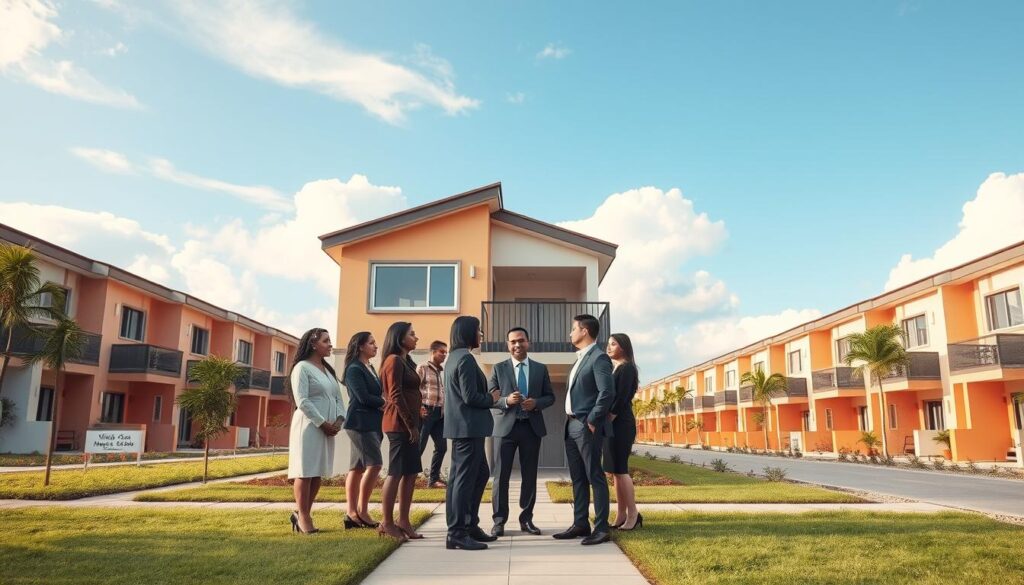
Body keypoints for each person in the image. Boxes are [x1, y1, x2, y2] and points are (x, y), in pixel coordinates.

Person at [553, 314, 614, 546]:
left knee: (594, 476)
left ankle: (601, 528)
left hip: (586, 424)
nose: (570, 333)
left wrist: (593, 418)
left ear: (585, 331)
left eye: (573, 328)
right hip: (571, 425)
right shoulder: (580, 359)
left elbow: (607, 392)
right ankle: (580, 523)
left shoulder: (599, 358)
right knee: (578, 477)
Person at [489, 327, 554, 537]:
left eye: (521, 341)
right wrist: (505, 401)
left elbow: (550, 397)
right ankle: (499, 521)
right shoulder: (498, 369)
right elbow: (490, 397)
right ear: (507, 345)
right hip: (504, 430)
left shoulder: (540, 369)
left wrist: (536, 403)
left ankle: (526, 520)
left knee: (529, 476)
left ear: (529, 342)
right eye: (513, 342)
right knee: (501, 477)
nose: (517, 345)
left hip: (531, 428)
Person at [443, 316, 501, 550]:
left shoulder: (454, 357)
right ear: (469, 333)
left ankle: (468, 525)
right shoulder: (465, 359)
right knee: (463, 480)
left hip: (464, 427)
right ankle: (457, 532)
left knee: (476, 475)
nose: (481, 335)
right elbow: (470, 397)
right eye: (479, 331)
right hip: (467, 428)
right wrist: (492, 398)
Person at [287, 327, 345, 534]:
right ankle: (303, 517)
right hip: (309, 426)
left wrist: (338, 421)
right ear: (313, 344)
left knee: (318, 472)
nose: (330, 344)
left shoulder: (327, 370)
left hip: (328, 428)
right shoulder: (301, 368)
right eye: (326, 341)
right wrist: (322, 423)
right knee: (305, 471)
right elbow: (302, 400)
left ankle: (302, 513)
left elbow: (338, 398)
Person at [378, 321, 423, 541]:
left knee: (411, 472)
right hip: (399, 426)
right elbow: (395, 396)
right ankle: (386, 522)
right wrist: (410, 424)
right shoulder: (393, 360)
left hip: (411, 425)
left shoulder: (406, 361)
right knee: (396, 472)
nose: (416, 338)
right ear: (399, 338)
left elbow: (410, 393)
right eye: (412, 334)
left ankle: (403, 520)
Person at [341, 331, 384, 529]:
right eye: (371, 343)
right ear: (360, 346)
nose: (376, 346)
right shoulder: (354, 368)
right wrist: (385, 402)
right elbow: (362, 397)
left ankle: (351, 513)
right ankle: (362, 510)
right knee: (374, 465)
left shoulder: (369, 367)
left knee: (357, 468)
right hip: (360, 423)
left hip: (371, 423)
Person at [602, 333, 642, 530]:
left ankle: (633, 514)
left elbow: (621, 399)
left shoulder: (627, 368)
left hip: (622, 424)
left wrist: (608, 418)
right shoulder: (615, 368)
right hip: (612, 424)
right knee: (614, 471)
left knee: (621, 469)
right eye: (608, 344)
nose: (608, 347)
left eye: (613, 344)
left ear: (624, 347)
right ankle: (620, 515)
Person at [416, 340, 449, 488]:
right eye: (442, 352)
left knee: (442, 447)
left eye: (446, 352)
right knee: (419, 446)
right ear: (433, 352)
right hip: (426, 411)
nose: (444, 355)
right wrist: (419, 407)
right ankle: (409, 477)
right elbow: (415, 389)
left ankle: (433, 479)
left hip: (439, 413)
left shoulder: (440, 371)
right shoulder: (423, 367)